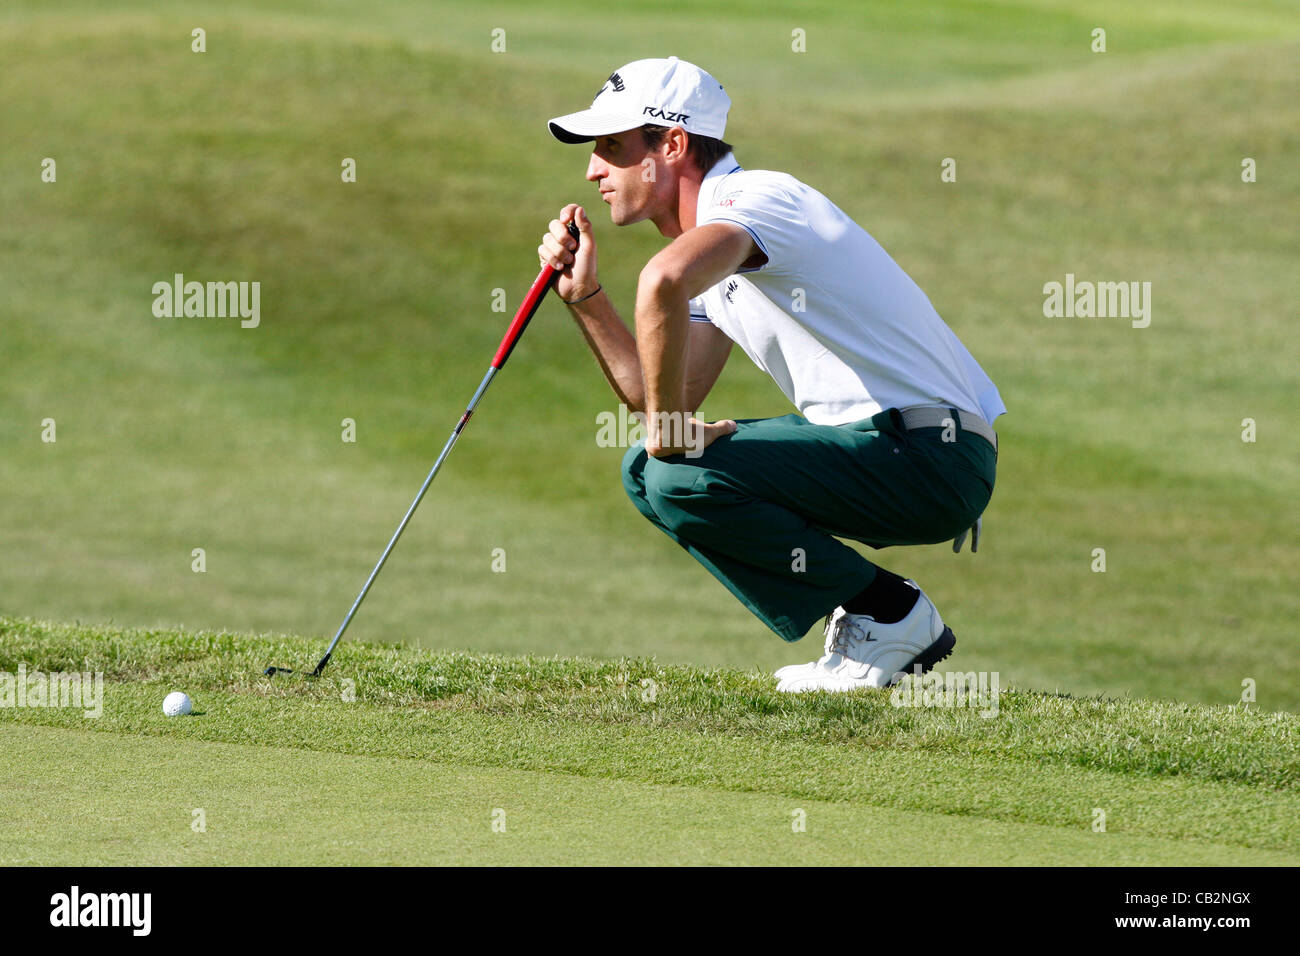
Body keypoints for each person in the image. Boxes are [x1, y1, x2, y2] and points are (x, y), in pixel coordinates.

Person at [538, 56, 1004, 691]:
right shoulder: (718, 244)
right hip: (897, 452)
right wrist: (585, 298)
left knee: (671, 469)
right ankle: (881, 611)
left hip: (929, 453)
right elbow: (654, 398)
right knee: (652, 471)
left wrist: (671, 431)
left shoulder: (754, 198)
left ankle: (888, 615)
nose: (594, 169)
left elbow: (663, 281)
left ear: (672, 144)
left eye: (612, 148)